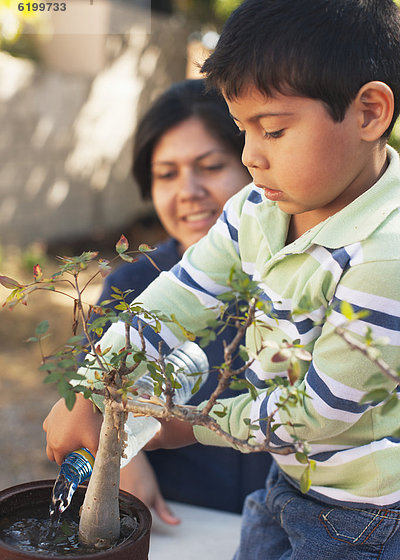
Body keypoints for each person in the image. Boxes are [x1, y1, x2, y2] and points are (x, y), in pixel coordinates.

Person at [44, 0, 400, 558]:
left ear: (368, 113)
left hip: (369, 515)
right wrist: (91, 387)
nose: (252, 157)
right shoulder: (259, 208)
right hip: (290, 477)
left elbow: (319, 413)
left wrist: (186, 424)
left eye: (274, 129)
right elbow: (180, 297)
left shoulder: (386, 255)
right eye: (242, 129)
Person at [51, 79, 271, 524]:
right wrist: (124, 462)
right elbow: (90, 401)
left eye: (210, 166)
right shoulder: (131, 285)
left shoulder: (298, 277)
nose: (187, 190)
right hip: (177, 523)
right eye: (166, 174)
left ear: (254, 166)